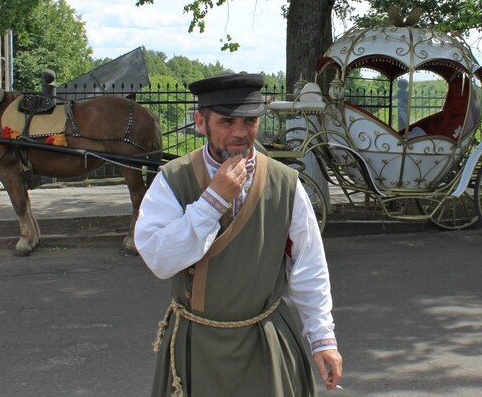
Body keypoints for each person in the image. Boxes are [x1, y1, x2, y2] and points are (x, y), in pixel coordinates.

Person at [135, 72, 343, 396]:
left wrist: (322, 338)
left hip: (266, 342)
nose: (240, 133)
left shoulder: (285, 184)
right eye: (227, 122)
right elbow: (160, 260)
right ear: (200, 123)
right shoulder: (172, 181)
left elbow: (309, 266)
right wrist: (212, 202)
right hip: (197, 345)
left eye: (249, 121)